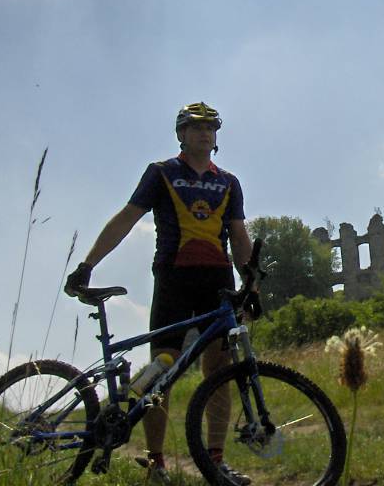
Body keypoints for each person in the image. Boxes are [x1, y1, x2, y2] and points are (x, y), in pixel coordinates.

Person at [65, 101, 253, 484]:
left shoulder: (229, 182)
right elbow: (127, 217)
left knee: (219, 371)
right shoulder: (162, 172)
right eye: (196, 126)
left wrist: (252, 286)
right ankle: (155, 462)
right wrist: (87, 264)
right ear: (182, 133)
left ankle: (215, 461)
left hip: (218, 281)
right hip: (174, 277)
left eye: (211, 127)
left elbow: (238, 235)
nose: (204, 133)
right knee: (162, 368)